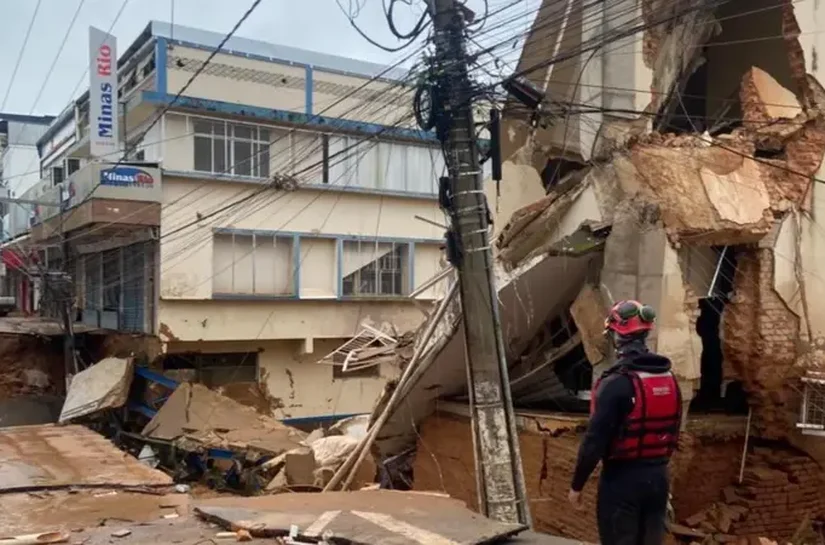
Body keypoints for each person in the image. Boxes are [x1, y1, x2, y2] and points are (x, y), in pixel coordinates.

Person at [567, 299, 683, 545]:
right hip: (659, 480)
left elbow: (594, 442)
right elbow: (673, 431)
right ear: (646, 334)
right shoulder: (669, 379)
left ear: (617, 337)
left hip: (622, 482)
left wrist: (577, 486)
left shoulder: (616, 384)